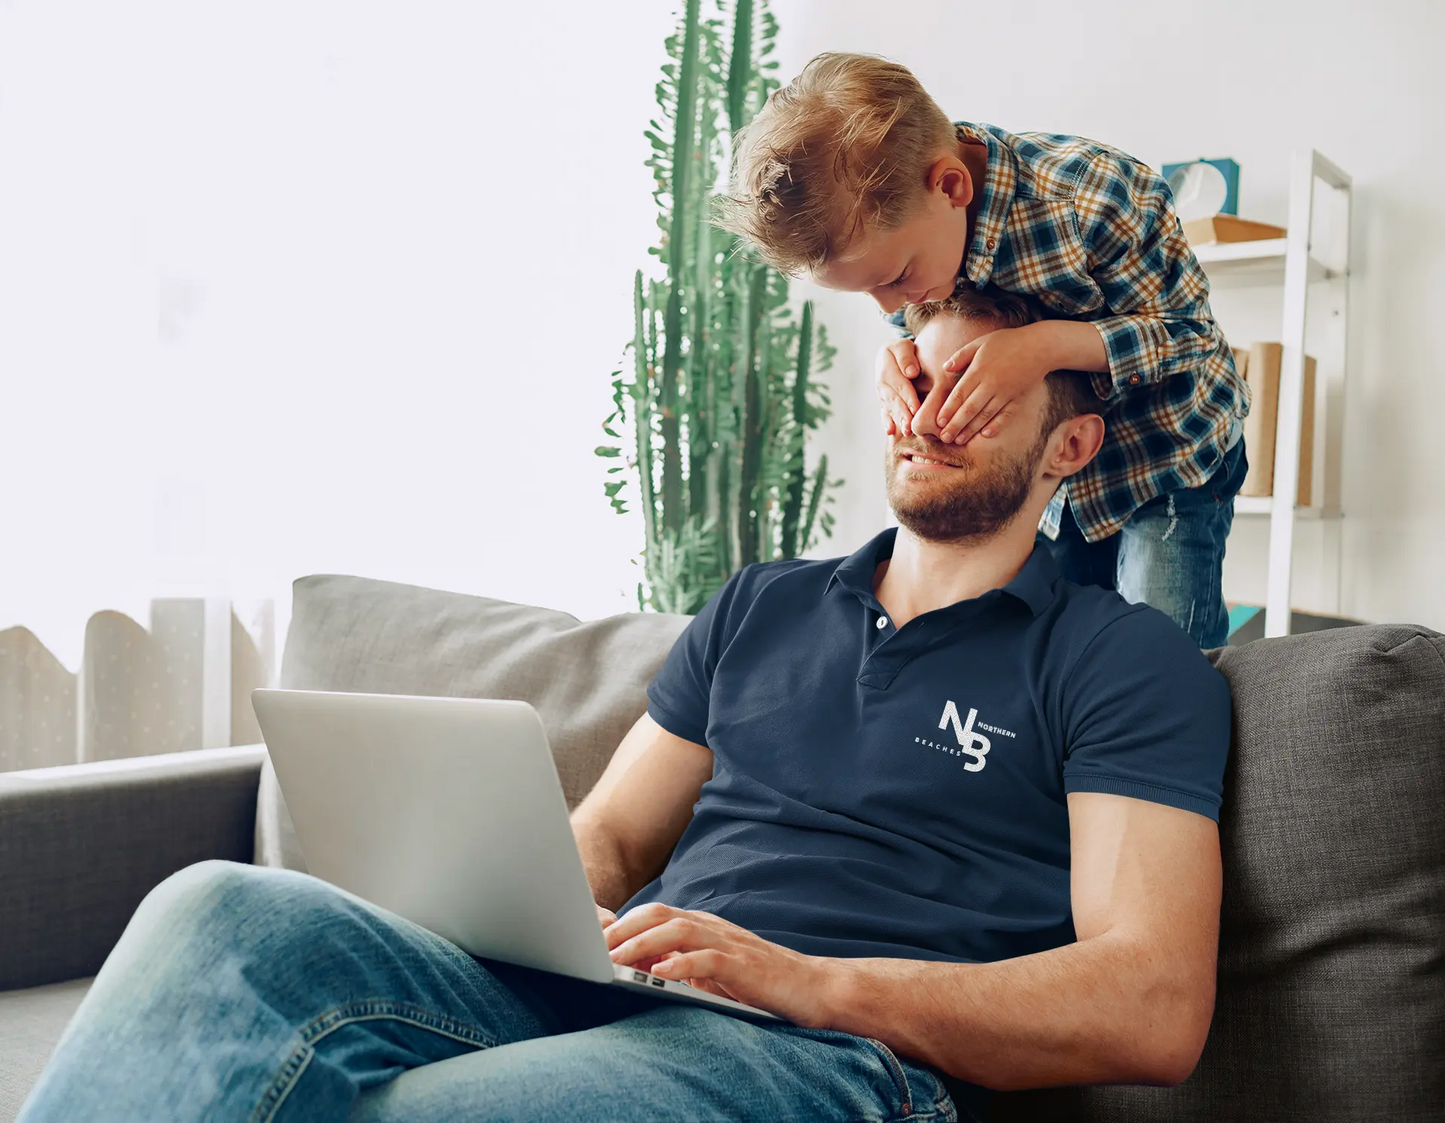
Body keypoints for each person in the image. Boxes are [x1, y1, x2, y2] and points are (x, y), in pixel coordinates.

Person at [19, 290, 1231, 1123]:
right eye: (916, 373)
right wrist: (486, 908)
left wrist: (807, 980)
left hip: (821, 1057)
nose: (925, 408)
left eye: (973, 390)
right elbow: (604, 842)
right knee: (222, 908)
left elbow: (1151, 1004)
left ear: (1067, 447)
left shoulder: (1120, 660)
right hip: (618, 984)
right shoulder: (762, 605)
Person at [715, 53, 1251, 648]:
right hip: (1055, 482)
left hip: (1169, 457)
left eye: (894, 277)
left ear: (951, 186)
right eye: (864, 290)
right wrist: (899, 358)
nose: (886, 306)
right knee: (1063, 651)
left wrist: (1044, 346)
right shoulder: (915, 237)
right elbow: (907, 319)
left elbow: (1191, 339)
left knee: (1163, 646)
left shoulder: (1094, 197)